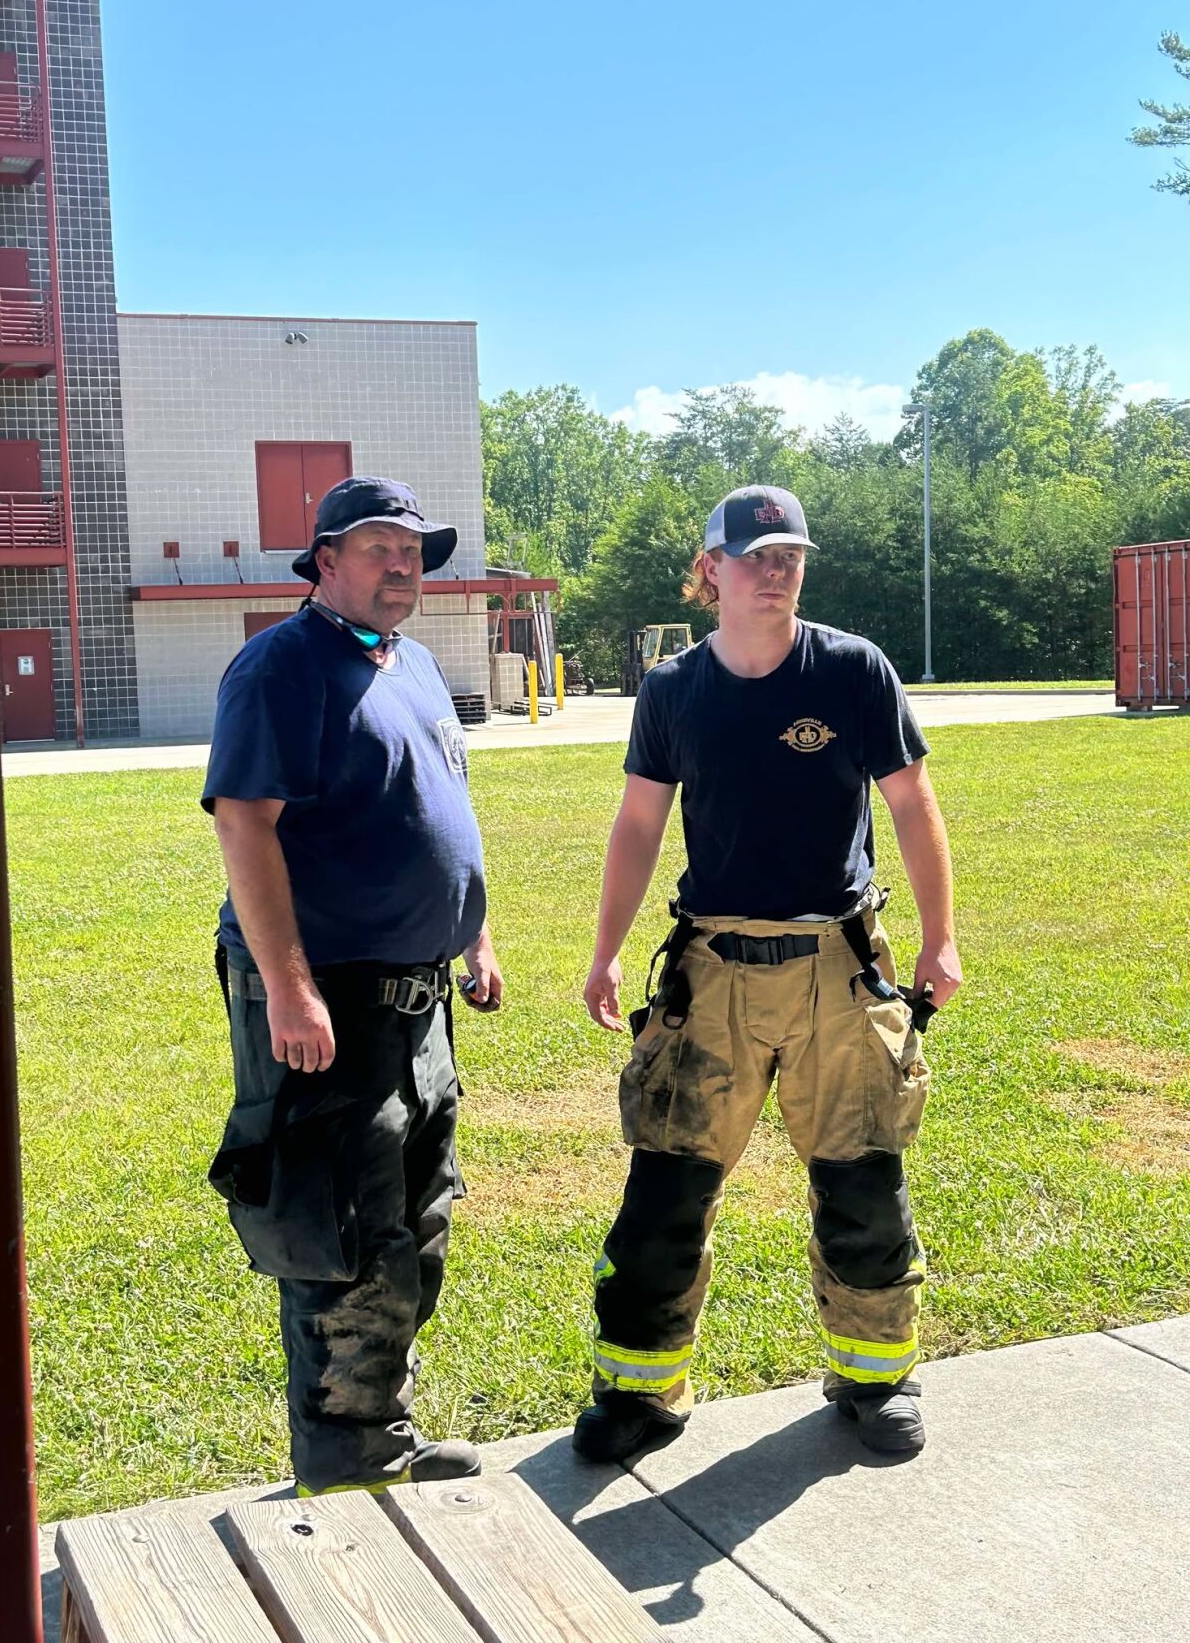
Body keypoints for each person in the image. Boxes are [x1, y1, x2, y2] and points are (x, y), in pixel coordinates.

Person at [575, 484, 962, 1463]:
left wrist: (938, 937)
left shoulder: (851, 671)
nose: (773, 569)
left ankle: (873, 1381)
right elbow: (636, 824)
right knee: (663, 1190)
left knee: (861, 1183)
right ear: (709, 570)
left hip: (835, 965)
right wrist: (606, 949)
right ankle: (639, 1390)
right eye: (752, 555)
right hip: (711, 974)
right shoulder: (672, 690)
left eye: (788, 552)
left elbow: (912, 805)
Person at [202, 475, 503, 1496]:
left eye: (415, 550)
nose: (403, 566)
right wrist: (288, 988)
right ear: (324, 559)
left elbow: (436, 810)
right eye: (380, 548)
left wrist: (475, 938)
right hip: (327, 995)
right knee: (338, 1227)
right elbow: (244, 820)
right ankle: (342, 1463)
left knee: (413, 1219)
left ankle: (383, 1434)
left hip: (417, 998)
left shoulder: (409, 663)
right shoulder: (281, 668)